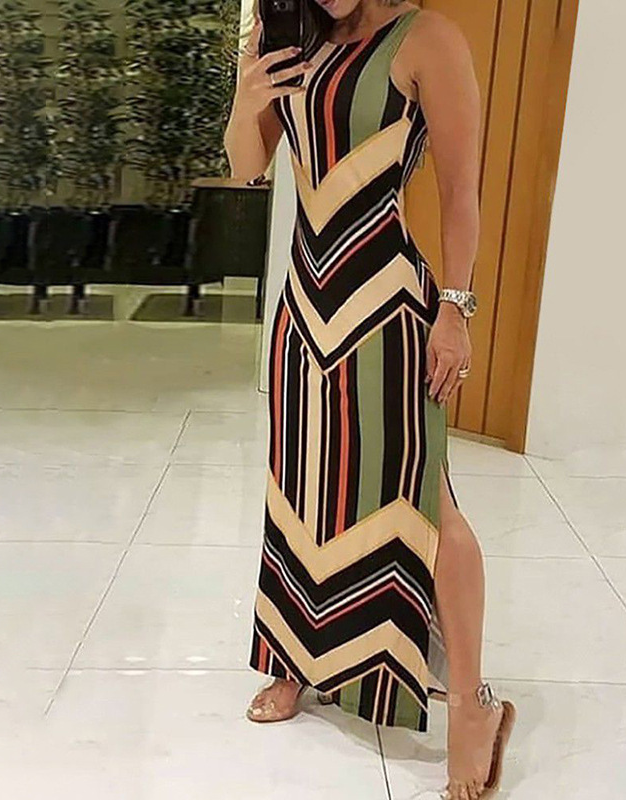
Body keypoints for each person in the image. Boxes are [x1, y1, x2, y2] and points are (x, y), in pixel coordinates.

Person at [224, 1, 515, 797]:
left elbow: (461, 192)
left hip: (389, 308)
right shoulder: (285, 35)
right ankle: (293, 659)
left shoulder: (427, 39)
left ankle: (474, 708)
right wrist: (247, 101)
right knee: (301, 487)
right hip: (302, 309)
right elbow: (248, 167)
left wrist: (455, 310)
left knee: (427, 503)